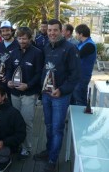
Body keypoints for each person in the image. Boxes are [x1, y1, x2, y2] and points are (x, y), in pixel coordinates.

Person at [33, 19, 81, 172]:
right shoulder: (47, 47)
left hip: (60, 96)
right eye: (49, 30)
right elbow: (44, 70)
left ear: (61, 31)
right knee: (48, 126)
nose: (52, 33)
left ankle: (53, 159)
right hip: (46, 95)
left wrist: (62, 90)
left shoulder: (71, 49)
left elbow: (75, 75)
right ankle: (49, 151)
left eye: (55, 30)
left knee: (57, 128)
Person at [7, 27, 43, 160]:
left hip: (29, 93)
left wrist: (28, 85)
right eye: (19, 38)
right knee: (15, 121)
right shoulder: (13, 52)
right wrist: (9, 80)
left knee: (27, 121)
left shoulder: (37, 53)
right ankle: (16, 145)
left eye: (24, 38)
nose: (21, 41)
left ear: (30, 39)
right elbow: (9, 69)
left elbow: (39, 73)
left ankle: (26, 148)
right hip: (14, 93)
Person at [0, 20, 19, 104]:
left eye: (7, 30)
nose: (5, 33)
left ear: (12, 31)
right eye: (3, 31)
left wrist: (9, 77)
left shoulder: (18, 44)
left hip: (12, 82)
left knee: (11, 105)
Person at [72, 24, 96, 105]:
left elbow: (76, 56)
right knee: (77, 97)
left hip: (82, 76)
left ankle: (81, 117)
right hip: (78, 75)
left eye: (77, 33)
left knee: (80, 99)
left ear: (81, 34)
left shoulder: (89, 45)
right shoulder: (82, 43)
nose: (76, 35)